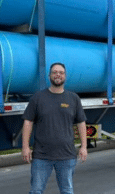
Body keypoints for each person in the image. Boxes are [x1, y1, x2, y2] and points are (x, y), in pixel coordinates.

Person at [22, 62, 87, 194]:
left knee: (67, 190)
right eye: (55, 72)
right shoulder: (38, 97)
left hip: (67, 155)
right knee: (36, 190)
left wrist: (84, 146)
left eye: (61, 72)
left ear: (65, 76)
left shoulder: (73, 98)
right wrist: (25, 147)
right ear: (49, 75)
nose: (58, 75)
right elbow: (28, 122)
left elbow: (81, 123)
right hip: (41, 156)